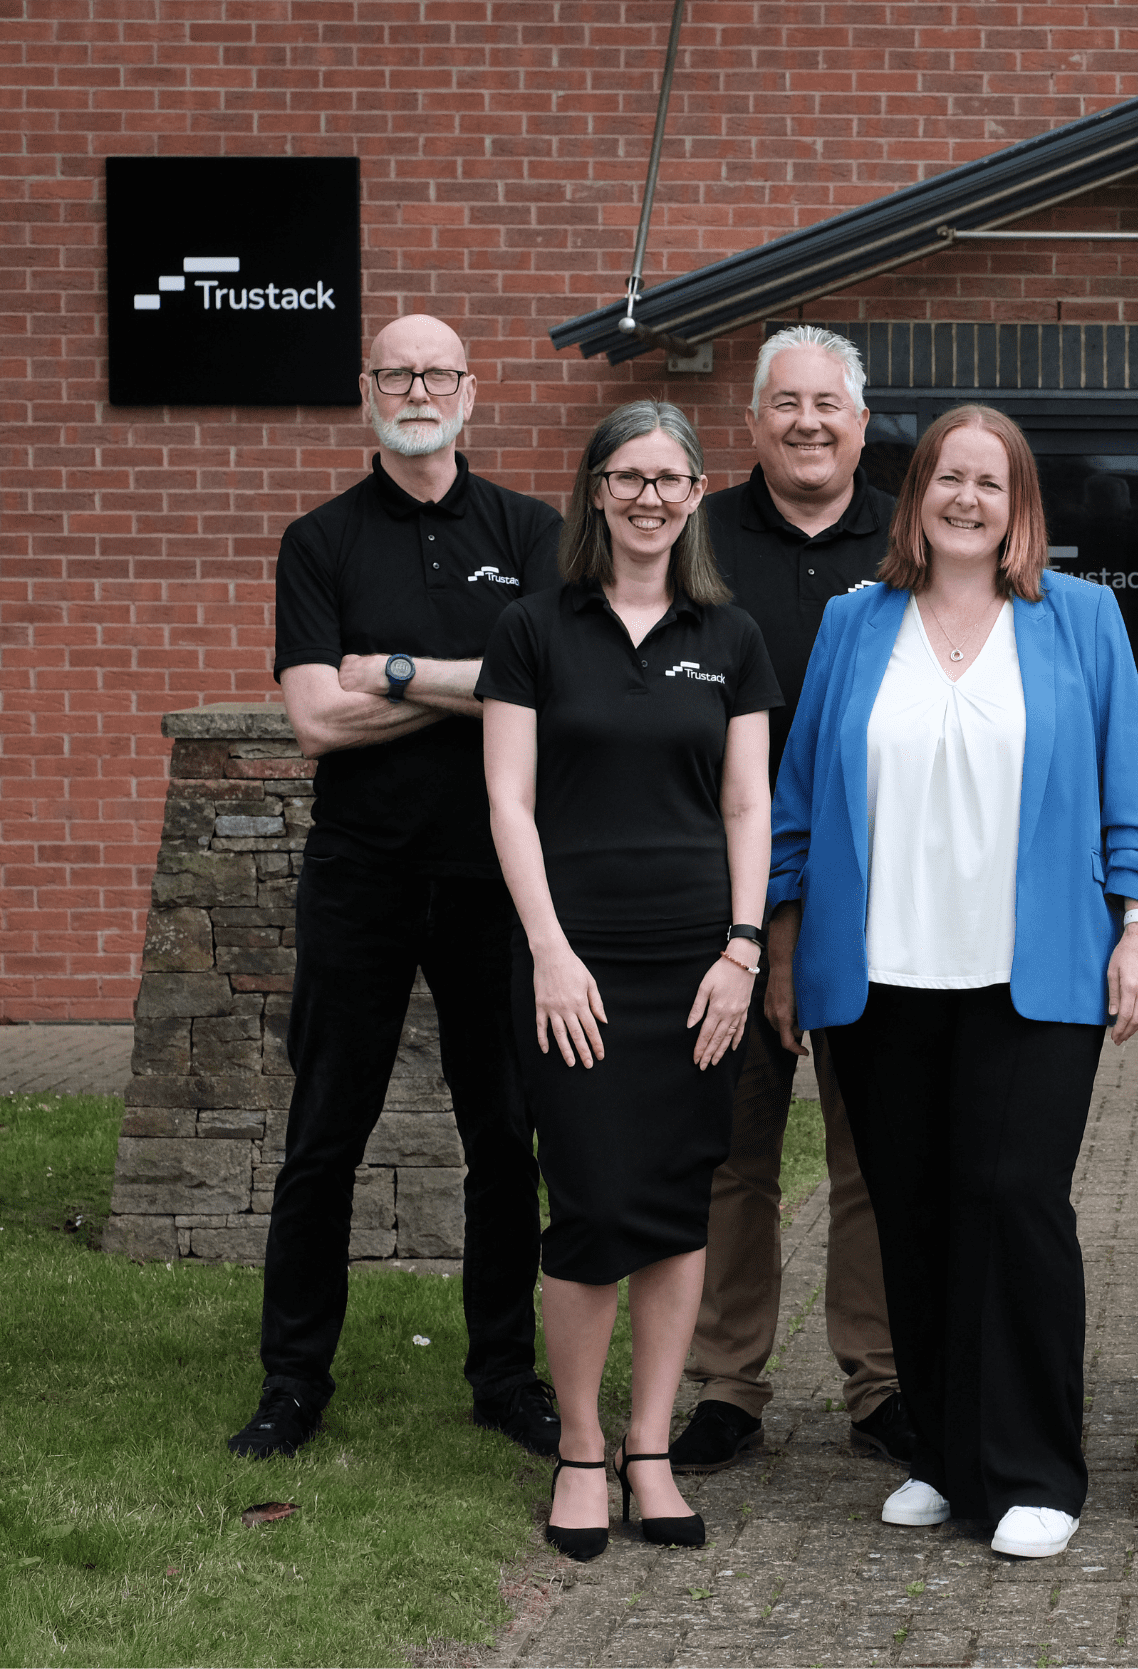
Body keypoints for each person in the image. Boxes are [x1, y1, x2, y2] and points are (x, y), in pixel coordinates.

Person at [770, 404, 1138, 1562]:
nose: (965, 499)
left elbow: (1133, 791)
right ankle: (947, 1459)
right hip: (879, 974)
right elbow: (797, 804)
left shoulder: (1081, 619)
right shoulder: (855, 625)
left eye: (989, 485)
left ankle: (1036, 1469)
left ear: (1020, 507)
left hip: (1033, 972)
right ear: (916, 499)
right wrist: (787, 945)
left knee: (1014, 1205)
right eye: (947, 478)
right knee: (913, 1214)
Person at [237, 313, 559, 1462]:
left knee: (502, 1133)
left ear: (472, 391)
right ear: (367, 389)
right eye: (396, 372)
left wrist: (402, 670)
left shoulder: (530, 532)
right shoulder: (319, 540)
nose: (416, 388)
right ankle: (292, 1383)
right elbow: (316, 718)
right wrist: (482, 684)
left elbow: (554, 691)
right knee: (325, 1135)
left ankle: (505, 1376)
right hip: (359, 877)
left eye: (436, 372)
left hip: (491, 876)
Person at [479, 401, 782, 1561]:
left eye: (670, 479)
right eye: (627, 476)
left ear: (697, 495)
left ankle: (649, 1449)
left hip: (697, 961)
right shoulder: (531, 630)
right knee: (594, 1201)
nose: (649, 496)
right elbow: (508, 799)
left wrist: (743, 948)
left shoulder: (733, 633)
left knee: (672, 1202)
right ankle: (578, 1448)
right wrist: (550, 951)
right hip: (575, 959)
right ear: (594, 491)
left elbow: (746, 803)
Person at [668, 325, 915, 1476]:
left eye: (831, 404)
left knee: (876, 1154)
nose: (809, 422)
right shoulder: (696, 538)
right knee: (729, 1152)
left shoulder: (917, 539)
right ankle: (727, 1385)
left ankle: (881, 1384)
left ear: (862, 424)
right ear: (753, 422)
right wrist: (757, 922)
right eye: (786, 404)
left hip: (885, 897)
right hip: (719, 899)